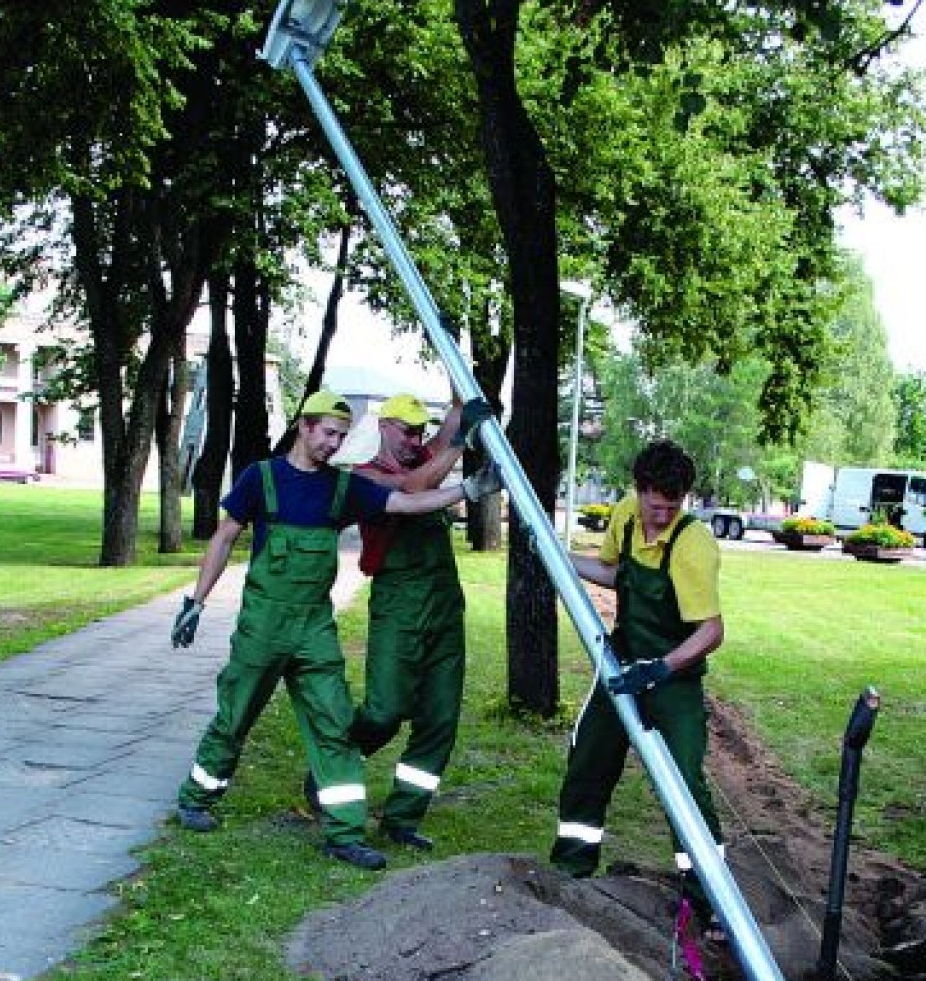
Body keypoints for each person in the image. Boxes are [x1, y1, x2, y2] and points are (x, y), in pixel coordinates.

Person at [168, 390, 495, 871]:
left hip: (314, 629)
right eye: (328, 434)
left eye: (341, 437)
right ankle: (197, 796)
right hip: (263, 625)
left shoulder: (343, 487)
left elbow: (405, 503)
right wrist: (195, 601)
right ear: (304, 427)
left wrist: (464, 492)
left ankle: (344, 832)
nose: (334, 445)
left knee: (335, 726)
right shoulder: (262, 478)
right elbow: (224, 536)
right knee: (235, 714)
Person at [548, 440, 727, 926]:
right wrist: (558, 557)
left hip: (674, 678)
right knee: (589, 760)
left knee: (683, 783)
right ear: (639, 491)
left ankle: (707, 897)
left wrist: (665, 667)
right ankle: (571, 868)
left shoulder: (693, 545)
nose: (662, 515)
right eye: (655, 504)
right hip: (625, 668)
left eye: (673, 506)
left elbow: (711, 630)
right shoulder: (626, 516)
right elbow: (609, 571)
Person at [347, 393, 469, 851]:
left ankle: (402, 817)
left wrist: (463, 399)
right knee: (384, 710)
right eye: (406, 430)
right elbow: (416, 487)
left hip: (442, 602)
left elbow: (451, 426)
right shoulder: (365, 475)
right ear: (383, 425)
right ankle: (332, 765)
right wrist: (462, 446)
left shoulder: (423, 455)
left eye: (420, 431)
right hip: (398, 604)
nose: (415, 439)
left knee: (440, 718)